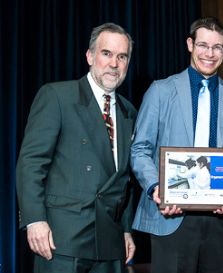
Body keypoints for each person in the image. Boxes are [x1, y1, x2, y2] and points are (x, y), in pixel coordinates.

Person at [130, 16, 223, 273]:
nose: (209, 53)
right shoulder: (160, 91)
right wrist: (157, 187)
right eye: (203, 45)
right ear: (189, 44)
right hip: (171, 214)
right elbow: (140, 150)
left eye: (217, 47)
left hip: (221, 219)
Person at [16, 23, 137, 272]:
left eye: (122, 56)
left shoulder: (130, 113)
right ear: (90, 56)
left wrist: (125, 229)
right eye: (106, 53)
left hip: (110, 242)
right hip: (61, 240)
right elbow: (31, 163)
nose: (114, 64)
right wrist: (35, 220)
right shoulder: (57, 96)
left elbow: (125, 180)